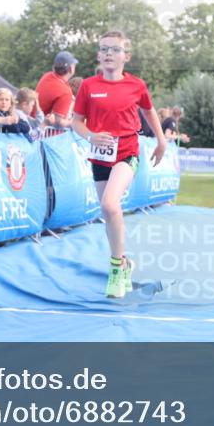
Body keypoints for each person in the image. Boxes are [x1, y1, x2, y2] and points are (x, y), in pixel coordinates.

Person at [72, 31, 167, 298]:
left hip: (127, 151)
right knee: (109, 214)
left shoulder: (136, 85)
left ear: (127, 56)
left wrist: (161, 140)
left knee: (110, 204)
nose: (109, 54)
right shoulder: (89, 86)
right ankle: (124, 262)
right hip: (100, 154)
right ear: (99, 55)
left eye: (115, 49)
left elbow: (148, 110)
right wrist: (91, 135)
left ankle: (115, 269)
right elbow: (76, 121)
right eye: (104, 49)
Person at [36, 50, 78, 127]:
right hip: (46, 135)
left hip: (35, 127)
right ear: (71, 69)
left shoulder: (47, 75)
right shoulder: (65, 92)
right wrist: (75, 123)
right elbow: (58, 122)